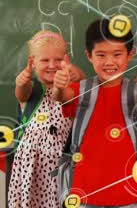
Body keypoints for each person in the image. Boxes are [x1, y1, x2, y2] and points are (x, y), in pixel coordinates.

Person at [52, 18, 137, 207]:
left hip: (130, 196)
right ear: (89, 55)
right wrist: (58, 86)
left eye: (117, 54)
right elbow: (62, 96)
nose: (109, 62)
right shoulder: (81, 90)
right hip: (85, 194)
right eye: (101, 55)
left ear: (130, 55)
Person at [9, 31, 84, 207]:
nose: (52, 65)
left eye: (58, 60)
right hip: (31, 167)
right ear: (32, 62)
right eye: (44, 60)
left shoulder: (72, 89)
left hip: (62, 165)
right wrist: (22, 82)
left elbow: (82, 80)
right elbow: (21, 93)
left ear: (66, 59)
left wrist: (75, 72)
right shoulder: (31, 89)